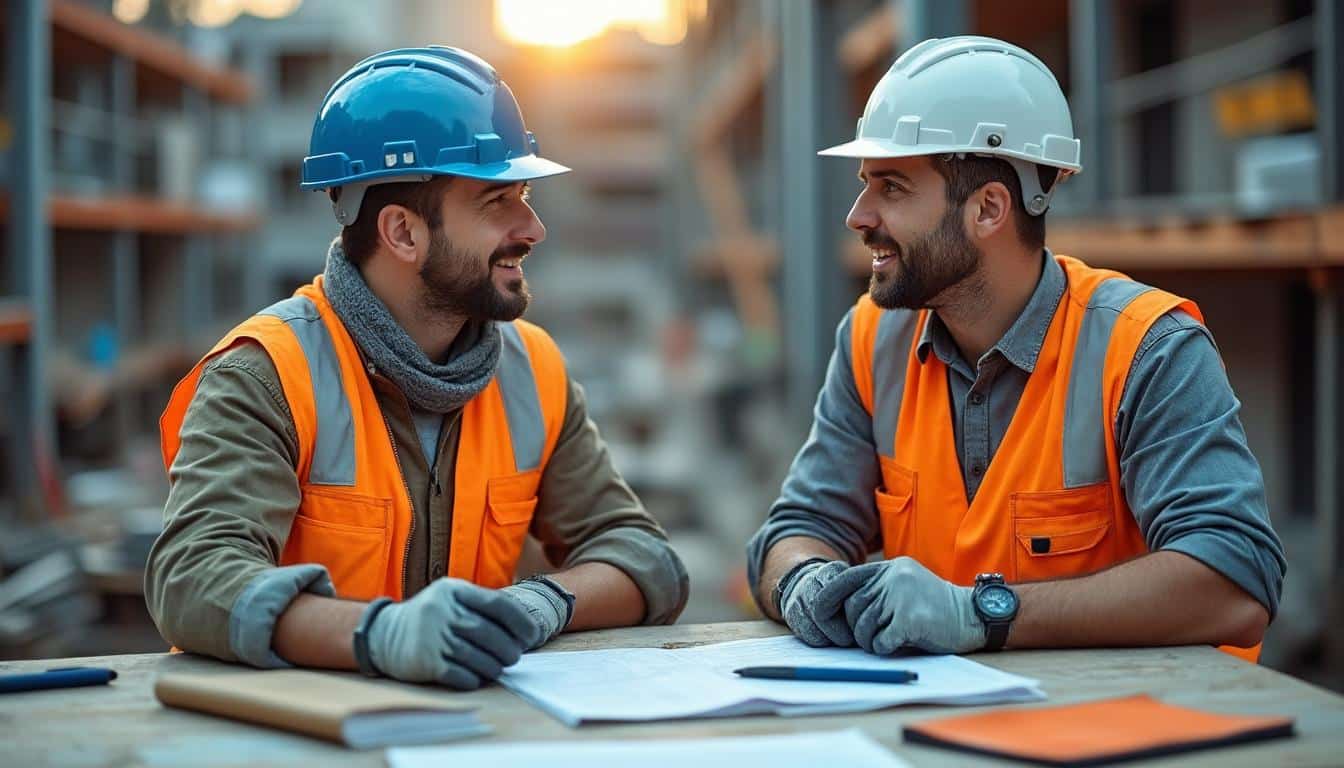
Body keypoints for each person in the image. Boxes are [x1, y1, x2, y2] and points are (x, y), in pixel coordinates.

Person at [148, 46, 688, 689]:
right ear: (402, 233)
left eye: (525, 195)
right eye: (497, 202)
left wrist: (539, 604)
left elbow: (644, 559)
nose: (533, 227)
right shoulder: (269, 374)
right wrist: (380, 636)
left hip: (465, 736)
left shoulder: (531, 371)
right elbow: (193, 579)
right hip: (299, 739)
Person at [747, 36, 1284, 660]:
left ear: (989, 209)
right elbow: (797, 530)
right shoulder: (873, 339)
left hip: (1136, 736)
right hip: (949, 735)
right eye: (866, 185)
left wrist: (981, 615)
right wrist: (804, 584)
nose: (858, 215)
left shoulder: (1146, 348)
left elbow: (1236, 582)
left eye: (891, 187)